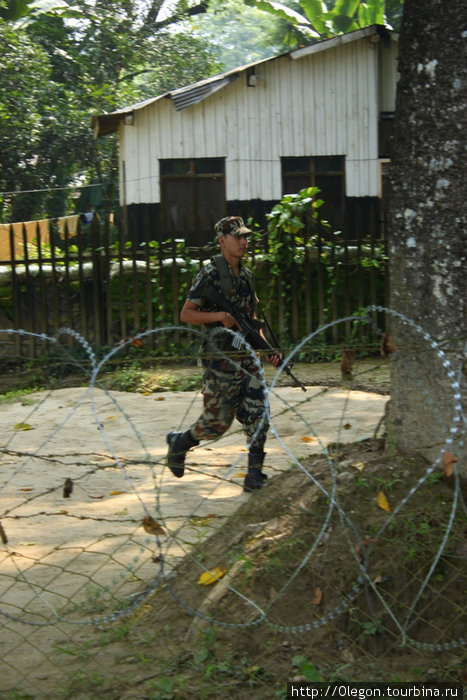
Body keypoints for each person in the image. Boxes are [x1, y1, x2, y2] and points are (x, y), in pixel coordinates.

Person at [166, 215, 281, 492]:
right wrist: (220, 316)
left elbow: (252, 320)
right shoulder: (210, 274)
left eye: (245, 236)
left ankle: (254, 475)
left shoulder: (247, 277)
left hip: (247, 357)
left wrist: (266, 350)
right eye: (238, 237)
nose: (244, 241)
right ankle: (179, 443)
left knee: (258, 413)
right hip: (221, 360)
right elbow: (186, 314)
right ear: (222, 241)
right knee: (216, 423)